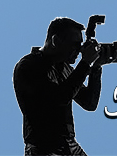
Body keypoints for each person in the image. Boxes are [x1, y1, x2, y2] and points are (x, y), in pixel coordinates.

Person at [13, 16, 104, 156]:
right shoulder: (29, 66)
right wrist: (85, 63)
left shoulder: (64, 68)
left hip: (69, 144)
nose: (79, 51)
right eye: (74, 45)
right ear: (55, 41)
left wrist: (96, 67)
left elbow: (89, 103)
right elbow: (59, 98)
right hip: (43, 147)